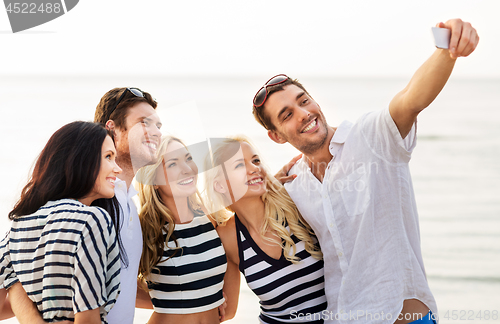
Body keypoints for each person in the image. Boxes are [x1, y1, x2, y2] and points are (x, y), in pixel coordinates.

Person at [251, 19, 479, 324]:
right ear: (277, 136)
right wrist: (268, 186)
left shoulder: (372, 138)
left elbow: (411, 100)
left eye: (304, 101)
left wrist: (446, 49)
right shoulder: (293, 187)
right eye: (287, 115)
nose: (304, 114)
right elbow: (232, 212)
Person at [3, 87, 163, 324]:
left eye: (158, 126)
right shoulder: (92, 206)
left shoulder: (129, 201)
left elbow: (118, 287)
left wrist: (195, 299)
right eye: (144, 123)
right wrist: (15, 284)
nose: (156, 132)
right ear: (113, 130)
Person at [0, 121, 122, 323]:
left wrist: (15, 286)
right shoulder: (93, 220)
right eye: (108, 157)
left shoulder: (19, 225)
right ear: (81, 160)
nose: (116, 168)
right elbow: (88, 318)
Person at [204, 136, 327, 323]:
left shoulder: (296, 202)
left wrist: (270, 186)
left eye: (255, 161)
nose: (255, 168)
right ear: (220, 184)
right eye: (239, 165)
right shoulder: (228, 238)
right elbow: (227, 313)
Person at [135, 135, 235, 324]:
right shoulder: (143, 230)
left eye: (188, 159)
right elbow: (117, 286)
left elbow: (229, 309)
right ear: (153, 179)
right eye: (173, 164)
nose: (187, 169)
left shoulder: (214, 218)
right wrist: (170, 299)